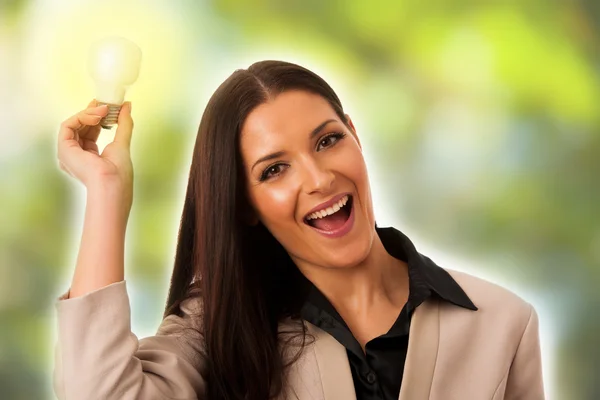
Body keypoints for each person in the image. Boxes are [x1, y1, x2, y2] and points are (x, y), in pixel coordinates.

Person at [53, 60, 545, 400]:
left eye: (328, 141)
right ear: (245, 206)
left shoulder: (503, 322)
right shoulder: (220, 329)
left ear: (355, 134)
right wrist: (107, 189)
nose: (318, 179)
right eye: (273, 170)